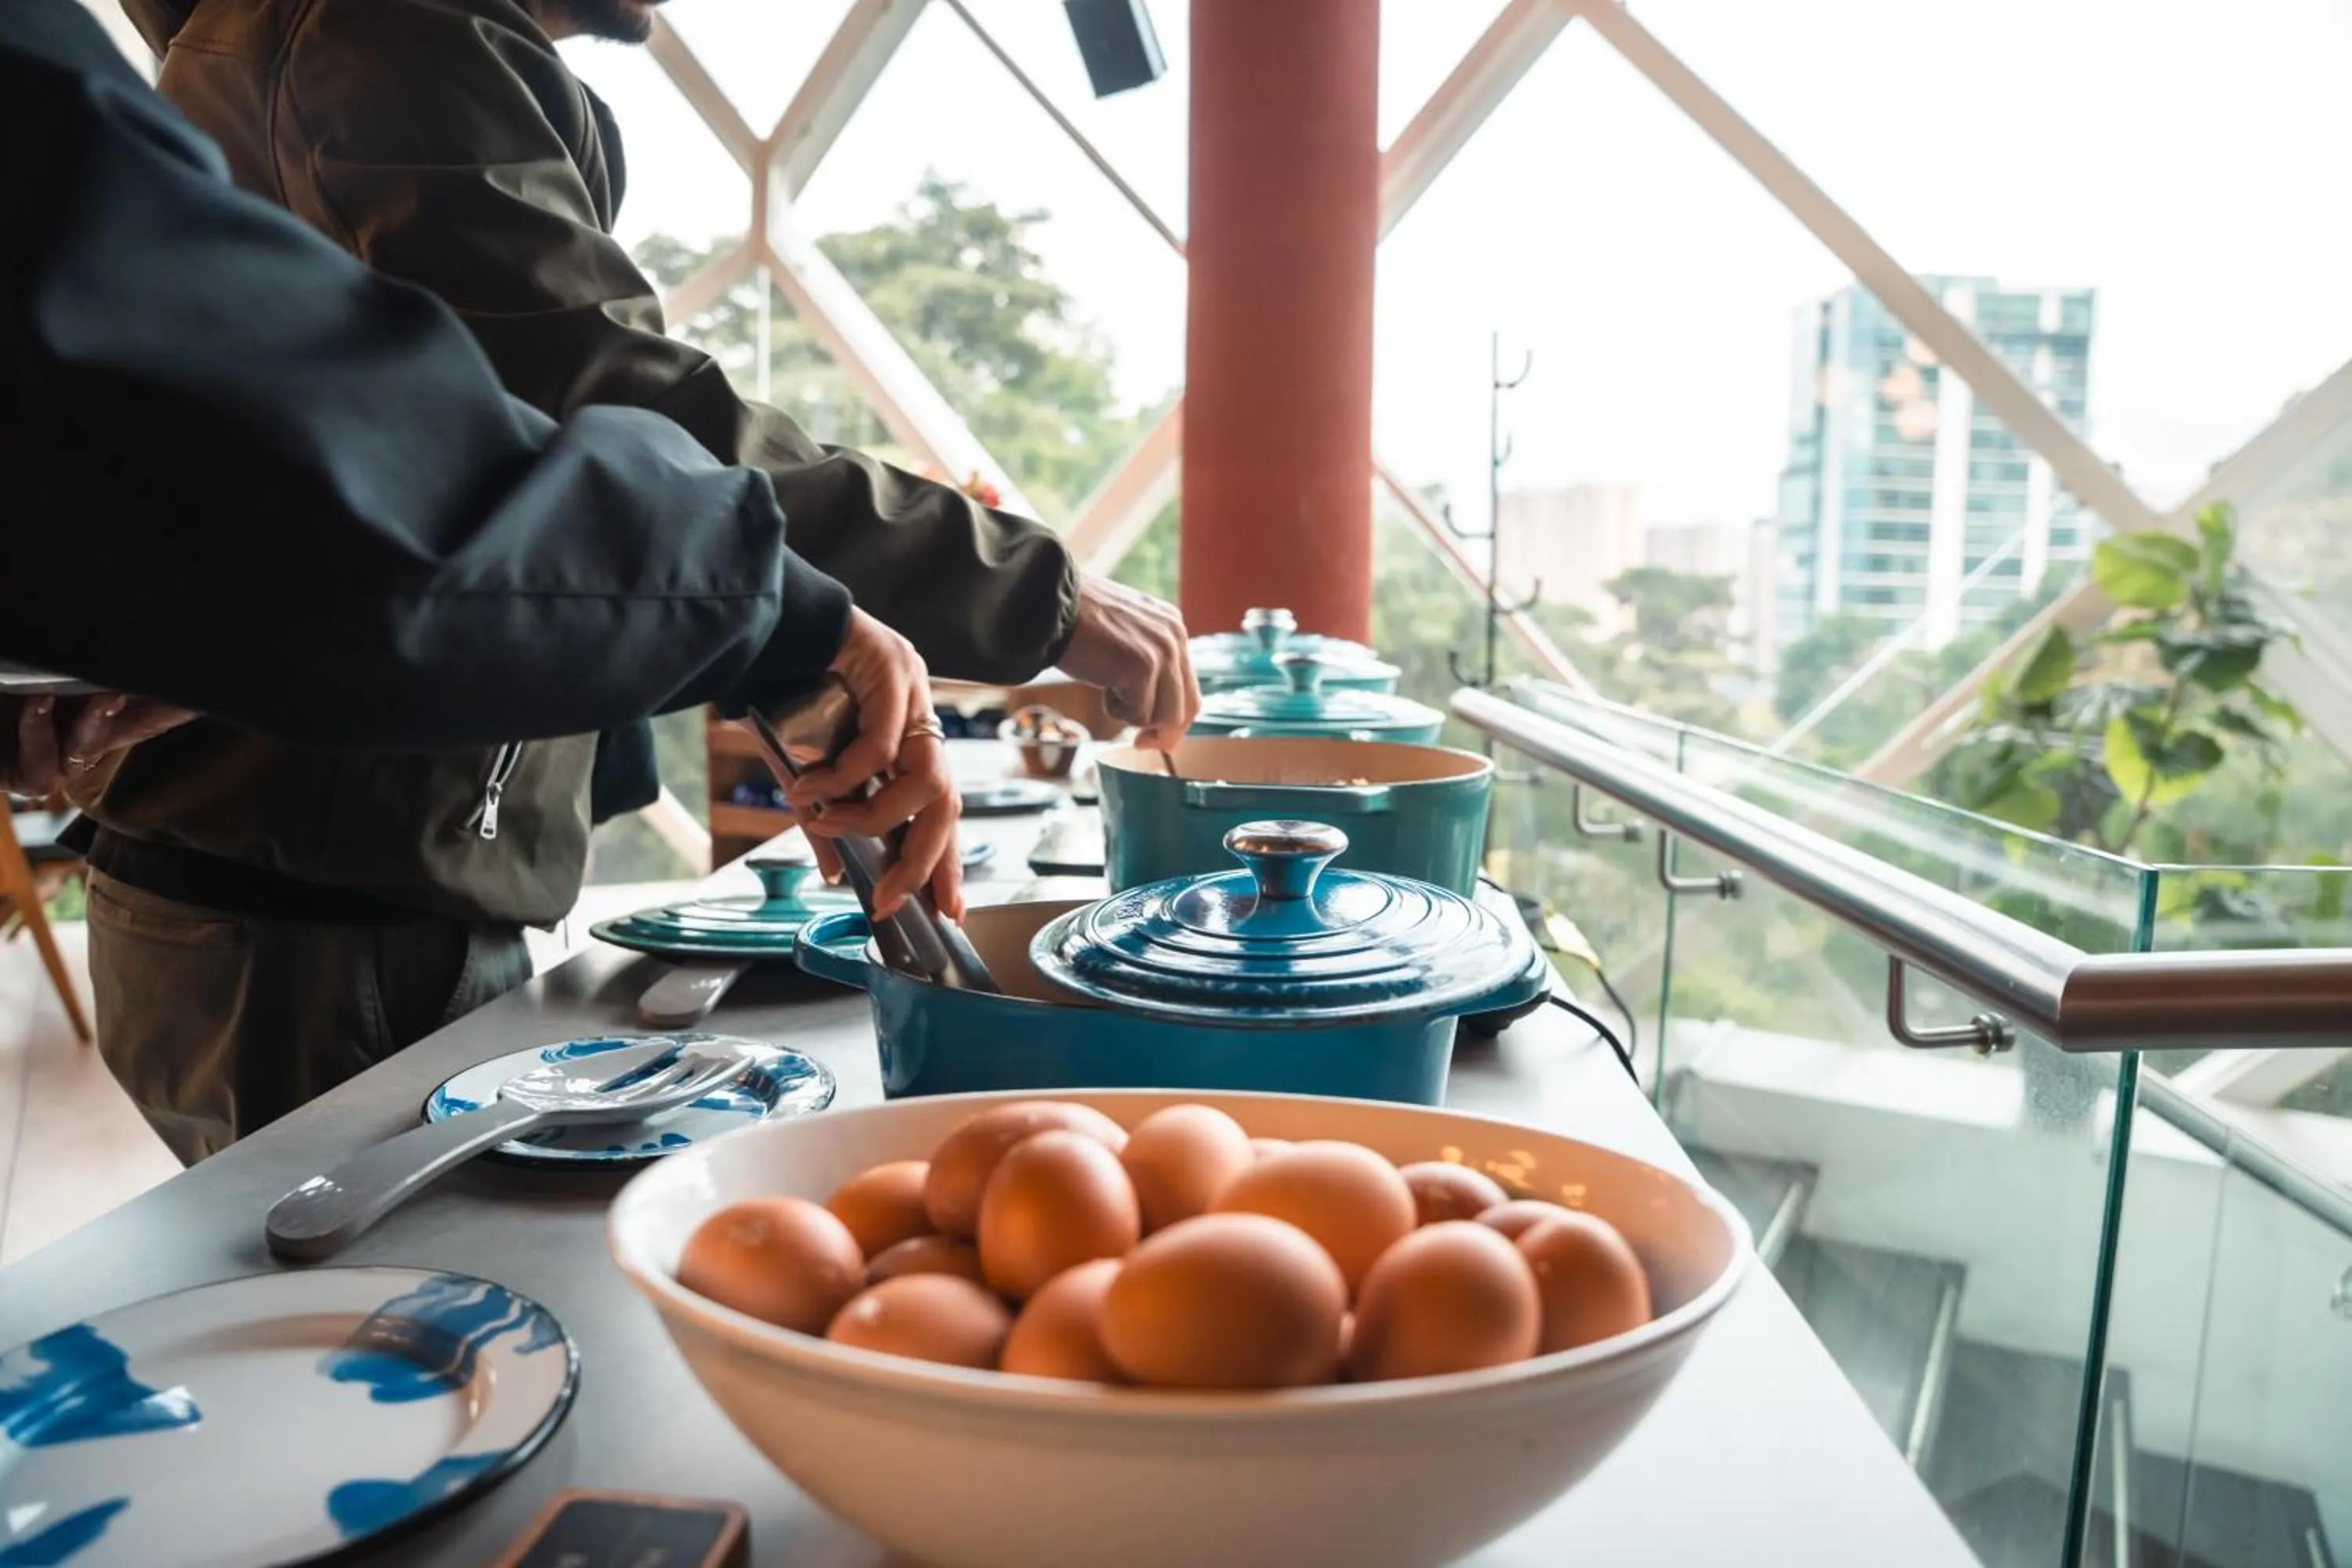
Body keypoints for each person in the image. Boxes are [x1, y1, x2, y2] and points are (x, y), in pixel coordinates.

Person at [5, 0, 1107, 1160]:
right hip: (318, 914)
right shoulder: (379, 30)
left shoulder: (318, 42)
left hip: (306, 885)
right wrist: (815, 615)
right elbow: (600, 401)